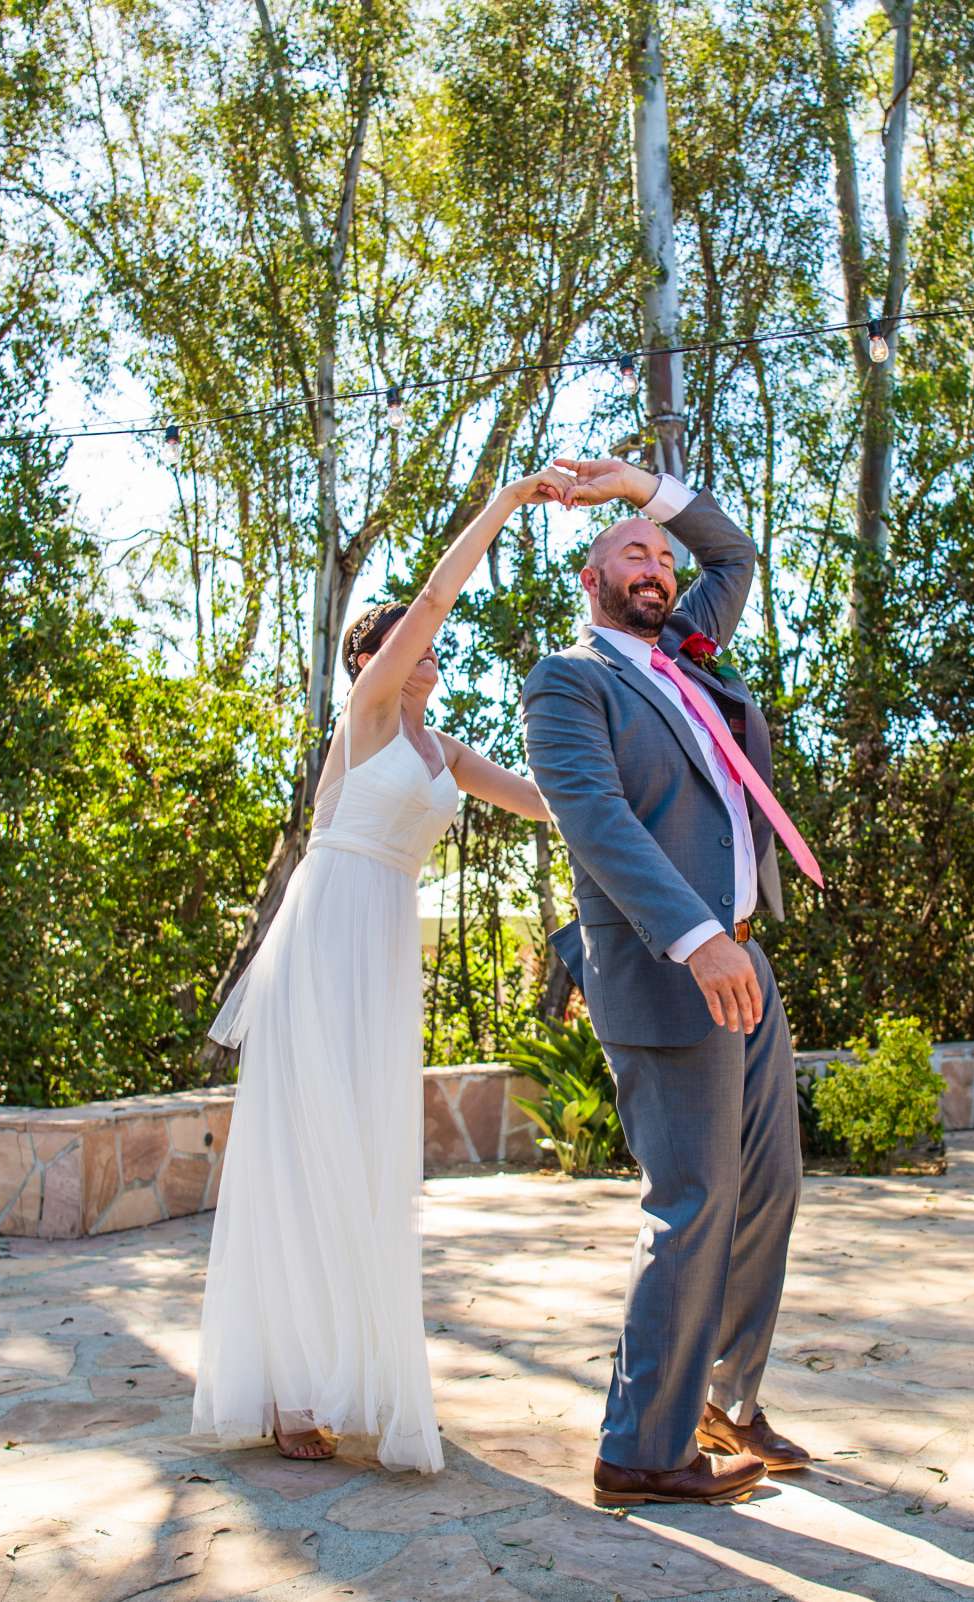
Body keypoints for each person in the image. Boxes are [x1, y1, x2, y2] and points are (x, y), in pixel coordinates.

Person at [189, 464, 572, 1472]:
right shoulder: (361, 716)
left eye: (425, 641)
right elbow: (441, 592)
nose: (423, 648)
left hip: (383, 947)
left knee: (365, 1159)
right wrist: (507, 503)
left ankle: (346, 1373)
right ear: (368, 657)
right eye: (400, 637)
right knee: (303, 1154)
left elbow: (545, 802)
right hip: (325, 938)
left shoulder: (443, 750)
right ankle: (285, 1391)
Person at [524, 458, 821, 1510]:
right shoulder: (571, 682)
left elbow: (732, 550)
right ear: (591, 578)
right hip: (675, 967)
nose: (652, 565)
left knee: (767, 1192)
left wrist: (636, 490)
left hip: (744, 958)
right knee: (692, 1201)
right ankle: (641, 1451)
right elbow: (597, 824)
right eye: (629, 554)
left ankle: (726, 1403)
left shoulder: (686, 656)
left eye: (656, 551)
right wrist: (697, 939)